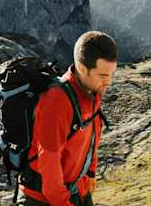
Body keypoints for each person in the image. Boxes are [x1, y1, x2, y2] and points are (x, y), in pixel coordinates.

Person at [20, 31, 117, 206]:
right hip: (43, 199)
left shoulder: (92, 91)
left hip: (77, 190)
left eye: (111, 74)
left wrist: (91, 174)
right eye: (103, 75)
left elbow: (94, 132)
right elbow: (49, 165)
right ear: (82, 68)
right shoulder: (56, 102)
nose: (109, 82)